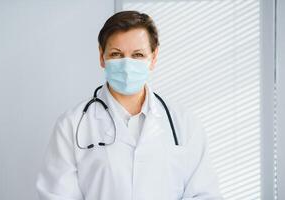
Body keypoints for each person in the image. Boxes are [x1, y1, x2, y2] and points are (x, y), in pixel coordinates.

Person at [36, 10, 223, 200]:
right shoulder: (72, 125)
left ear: (154, 57)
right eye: (117, 54)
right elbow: (56, 195)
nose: (127, 65)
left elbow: (205, 194)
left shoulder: (184, 123)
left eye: (138, 55)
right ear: (102, 56)